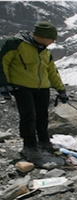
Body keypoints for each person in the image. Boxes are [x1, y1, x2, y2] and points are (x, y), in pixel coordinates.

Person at [0, 21, 69, 165]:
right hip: (22, 86)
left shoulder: (45, 51)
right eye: (52, 38)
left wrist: (60, 89)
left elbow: (52, 72)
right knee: (28, 115)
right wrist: (4, 84)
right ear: (43, 36)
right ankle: (29, 146)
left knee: (42, 115)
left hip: (42, 87)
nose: (53, 42)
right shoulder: (14, 43)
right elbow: (2, 62)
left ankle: (44, 141)